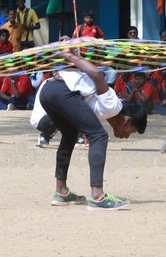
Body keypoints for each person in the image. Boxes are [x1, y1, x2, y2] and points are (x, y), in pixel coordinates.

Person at [31, 46, 147, 210]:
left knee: (70, 134)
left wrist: (74, 55)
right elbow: (98, 75)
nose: (127, 136)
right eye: (131, 131)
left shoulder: (108, 110)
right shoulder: (114, 106)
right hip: (61, 92)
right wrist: (70, 56)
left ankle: (61, 191)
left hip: (48, 91)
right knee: (99, 136)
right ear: (127, 121)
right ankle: (97, 196)